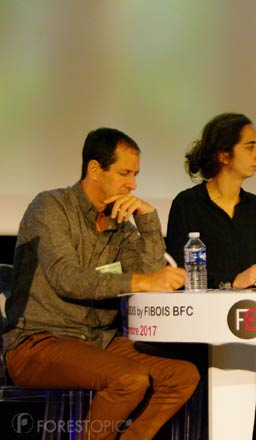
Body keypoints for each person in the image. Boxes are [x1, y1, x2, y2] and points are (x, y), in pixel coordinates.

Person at [1, 127, 200, 440]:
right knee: (131, 379)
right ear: (94, 170)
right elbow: (66, 278)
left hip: (97, 341)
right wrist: (145, 280)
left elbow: (151, 279)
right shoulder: (50, 207)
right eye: (124, 173)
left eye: (135, 174)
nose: (132, 184)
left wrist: (148, 220)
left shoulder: (121, 225)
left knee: (182, 375)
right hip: (38, 341)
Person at [166, 112, 256, 290]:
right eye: (250, 147)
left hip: (252, 312)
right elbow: (179, 274)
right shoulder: (187, 203)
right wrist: (233, 281)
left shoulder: (254, 206)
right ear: (223, 155)